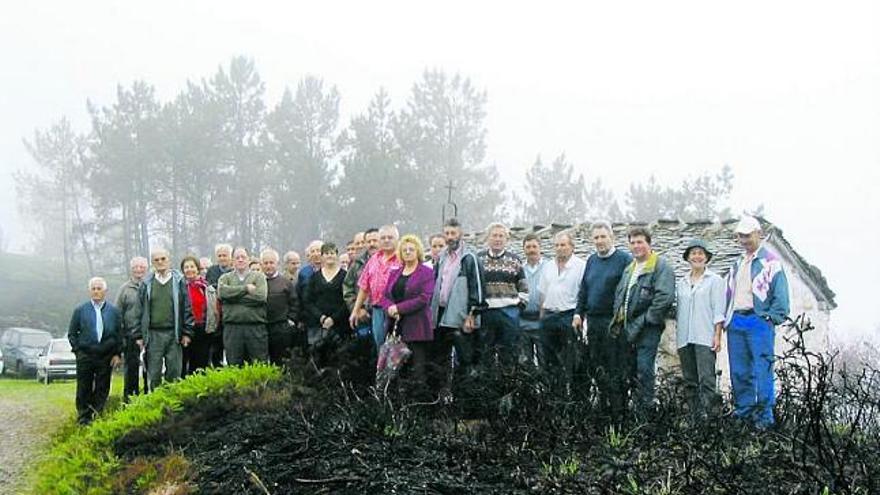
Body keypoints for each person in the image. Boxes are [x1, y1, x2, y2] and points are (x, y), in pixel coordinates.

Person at [724, 216, 790, 428]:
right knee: (739, 370)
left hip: (758, 320)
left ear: (758, 234)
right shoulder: (737, 263)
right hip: (736, 321)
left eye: (748, 235)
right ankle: (744, 413)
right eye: (741, 236)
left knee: (763, 369)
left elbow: (781, 296)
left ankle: (764, 418)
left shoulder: (771, 263)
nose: (745, 240)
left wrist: (771, 318)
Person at [611, 227, 675, 411]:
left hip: (648, 329)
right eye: (632, 242)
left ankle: (646, 414)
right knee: (630, 372)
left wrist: (645, 320)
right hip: (628, 328)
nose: (636, 246)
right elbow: (621, 298)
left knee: (645, 370)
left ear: (649, 243)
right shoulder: (630, 268)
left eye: (640, 242)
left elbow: (664, 298)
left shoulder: (661, 266)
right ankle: (634, 412)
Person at [572, 221, 632, 411]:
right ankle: (604, 411)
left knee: (616, 369)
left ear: (611, 237)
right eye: (596, 237)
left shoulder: (624, 259)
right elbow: (584, 290)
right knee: (598, 368)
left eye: (603, 236)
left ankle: (619, 413)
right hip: (594, 323)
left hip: (614, 324)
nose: (599, 241)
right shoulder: (591, 260)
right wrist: (578, 314)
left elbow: (629, 292)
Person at [430, 218, 485, 386]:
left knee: (465, 360)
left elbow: (478, 287)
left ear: (460, 234)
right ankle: (441, 399)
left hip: (461, 317)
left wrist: (472, 315)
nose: (450, 237)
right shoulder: (442, 257)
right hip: (441, 315)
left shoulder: (469, 258)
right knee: (439, 361)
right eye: (446, 233)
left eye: (453, 233)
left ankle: (463, 400)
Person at [380, 235, 436, 398]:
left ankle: (418, 406)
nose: (408, 252)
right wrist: (389, 308)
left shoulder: (427, 272)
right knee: (396, 370)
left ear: (418, 251)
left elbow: (424, 298)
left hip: (417, 328)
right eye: (404, 250)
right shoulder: (395, 272)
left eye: (411, 249)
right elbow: (383, 296)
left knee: (417, 370)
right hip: (396, 328)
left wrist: (399, 308)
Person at [676, 239, 725, 419]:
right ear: (688, 258)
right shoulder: (681, 282)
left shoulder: (715, 281)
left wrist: (717, 335)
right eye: (693, 253)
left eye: (700, 253)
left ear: (706, 257)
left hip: (705, 336)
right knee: (690, 381)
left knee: (706, 379)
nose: (697, 257)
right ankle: (695, 420)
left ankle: (711, 420)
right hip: (684, 338)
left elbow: (719, 310)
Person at [135, 248, 194, 391]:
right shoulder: (146, 283)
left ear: (169, 260)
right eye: (156, 260)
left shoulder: (179, 281)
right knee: (153, 373)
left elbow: (187, 307)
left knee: (174, 372)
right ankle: (154, 406)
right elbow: (138, 310)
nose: (160, 262)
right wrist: (138, 335)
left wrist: (187, 332)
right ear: (152, 263)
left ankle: (171, 406)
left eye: (163, 259)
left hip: (174, 334)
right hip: (153, 335)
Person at [68, 277, 123, 424]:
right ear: (89, 291)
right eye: (93, 289)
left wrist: (117, 354)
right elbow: (72, 333)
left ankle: (97, 414)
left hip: (106, 356)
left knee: (102, 386)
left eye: (99, 289)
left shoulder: (114, 311)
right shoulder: (80, 310)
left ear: (105, 291)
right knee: (84, 387)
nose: (96, 291)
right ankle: (84, 417)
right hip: (85, 355)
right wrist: (78, 351)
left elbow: (119, 334)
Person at [537, 232, 586, 383]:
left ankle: (575, 399)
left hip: (569, 317)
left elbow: (583, 295)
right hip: (549, 317)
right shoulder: (548, 266)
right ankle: (554, 395)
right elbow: (542, 293)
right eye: (557, 245)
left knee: (573, 360)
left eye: (563, 245)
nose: (559, 248)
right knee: (549, 360)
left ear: (572, 247)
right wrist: (541, 317)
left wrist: (580, 317)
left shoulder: (581, 266)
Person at [477, 222, 527, 367]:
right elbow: (474, 287)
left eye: (501, 236)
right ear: (488, 238)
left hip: (509, 314)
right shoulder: (478, 259)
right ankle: (488, 388)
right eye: (494, 235)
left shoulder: (515, 260)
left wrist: (518, 309)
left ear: (506, 239)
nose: (497, 239)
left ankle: (509, 387)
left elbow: (523, 288)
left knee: (510, 356)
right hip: (486, 313)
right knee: (485, 356)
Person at [349, 225, 402, 352]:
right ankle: (382, 371)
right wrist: (355, 310)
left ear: (397, 239)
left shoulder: (403, 258)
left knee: (398, 349)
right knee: (380, 346)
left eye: (390, 237)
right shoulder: (374, 259)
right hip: (377, 309)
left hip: (398, 311)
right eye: (383, 238)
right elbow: (363, 286)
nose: (386, 240)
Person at [218, 247, 269, 365]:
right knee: (234, 365)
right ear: (232, 260)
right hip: (232, 329)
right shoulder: (226, 278)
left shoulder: (258, 277)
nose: (240, 260)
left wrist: (232, 299)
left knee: (259, 364)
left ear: (248, 259)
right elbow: (222, 293)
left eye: (243, 257)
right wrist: (245, 289)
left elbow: (260, 296)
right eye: (237, 257)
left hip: (255, 328)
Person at [303, 243, 348, 367]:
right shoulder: (314, 277)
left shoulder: (345, 276)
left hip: (340, 325)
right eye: (327, 253)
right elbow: (307, 301)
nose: (330, 256)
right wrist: (321, 317)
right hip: (318, 326)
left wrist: (333, 319)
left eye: (332, 253)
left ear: (337, 255)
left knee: (339, 359)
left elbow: (348, 299)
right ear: (322, 256)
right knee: (318, 361)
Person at [115, 256, 148, 401]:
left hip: (150, 334)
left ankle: (149, 398)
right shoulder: (124, 289)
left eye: (142, 267)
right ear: (131, 269)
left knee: (150, 369)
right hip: (131, 336)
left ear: (146, 269)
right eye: (136, 267)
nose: (139, 270)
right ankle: (129, 401)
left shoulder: (150, 286)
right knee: (131, 370)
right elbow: (118, 313)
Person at [262, 248, 300, 366]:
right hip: (261, 328)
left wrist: (291, 320)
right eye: (266, 263)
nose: (269, 266)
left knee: (280, 362)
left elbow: (295, 303)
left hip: (281, 329)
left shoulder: (285, 282)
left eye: (271, 262)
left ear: (277, 264)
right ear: (261, 264)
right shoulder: (257, 282)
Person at [180, 255, 215, 375]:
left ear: (198, 268)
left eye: (192, 266)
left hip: (203, 330)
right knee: (184, 365)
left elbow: (213, 308)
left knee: (201, 364)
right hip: (185, 330)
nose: (189, 269)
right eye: (186, 267)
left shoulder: (205, 287)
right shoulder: (179, 288)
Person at [519, 234, 547, 366]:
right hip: (523, 323)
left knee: (545, 361)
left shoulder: (549, 267)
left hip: (543, 323)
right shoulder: (519, 269)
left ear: (540, 248)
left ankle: (547, 387)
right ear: (524, 249)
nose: (531, 250)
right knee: (525, 364)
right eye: (528, 247)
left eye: (534, 246)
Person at [206, 243, 233, 367]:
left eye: (225, 255)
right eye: (220, 255)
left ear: (230, 257)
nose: (222, 258)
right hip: (216, 313)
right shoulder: (211, 271)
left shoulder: (234, 272)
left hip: (230, 312)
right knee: (216, 348)